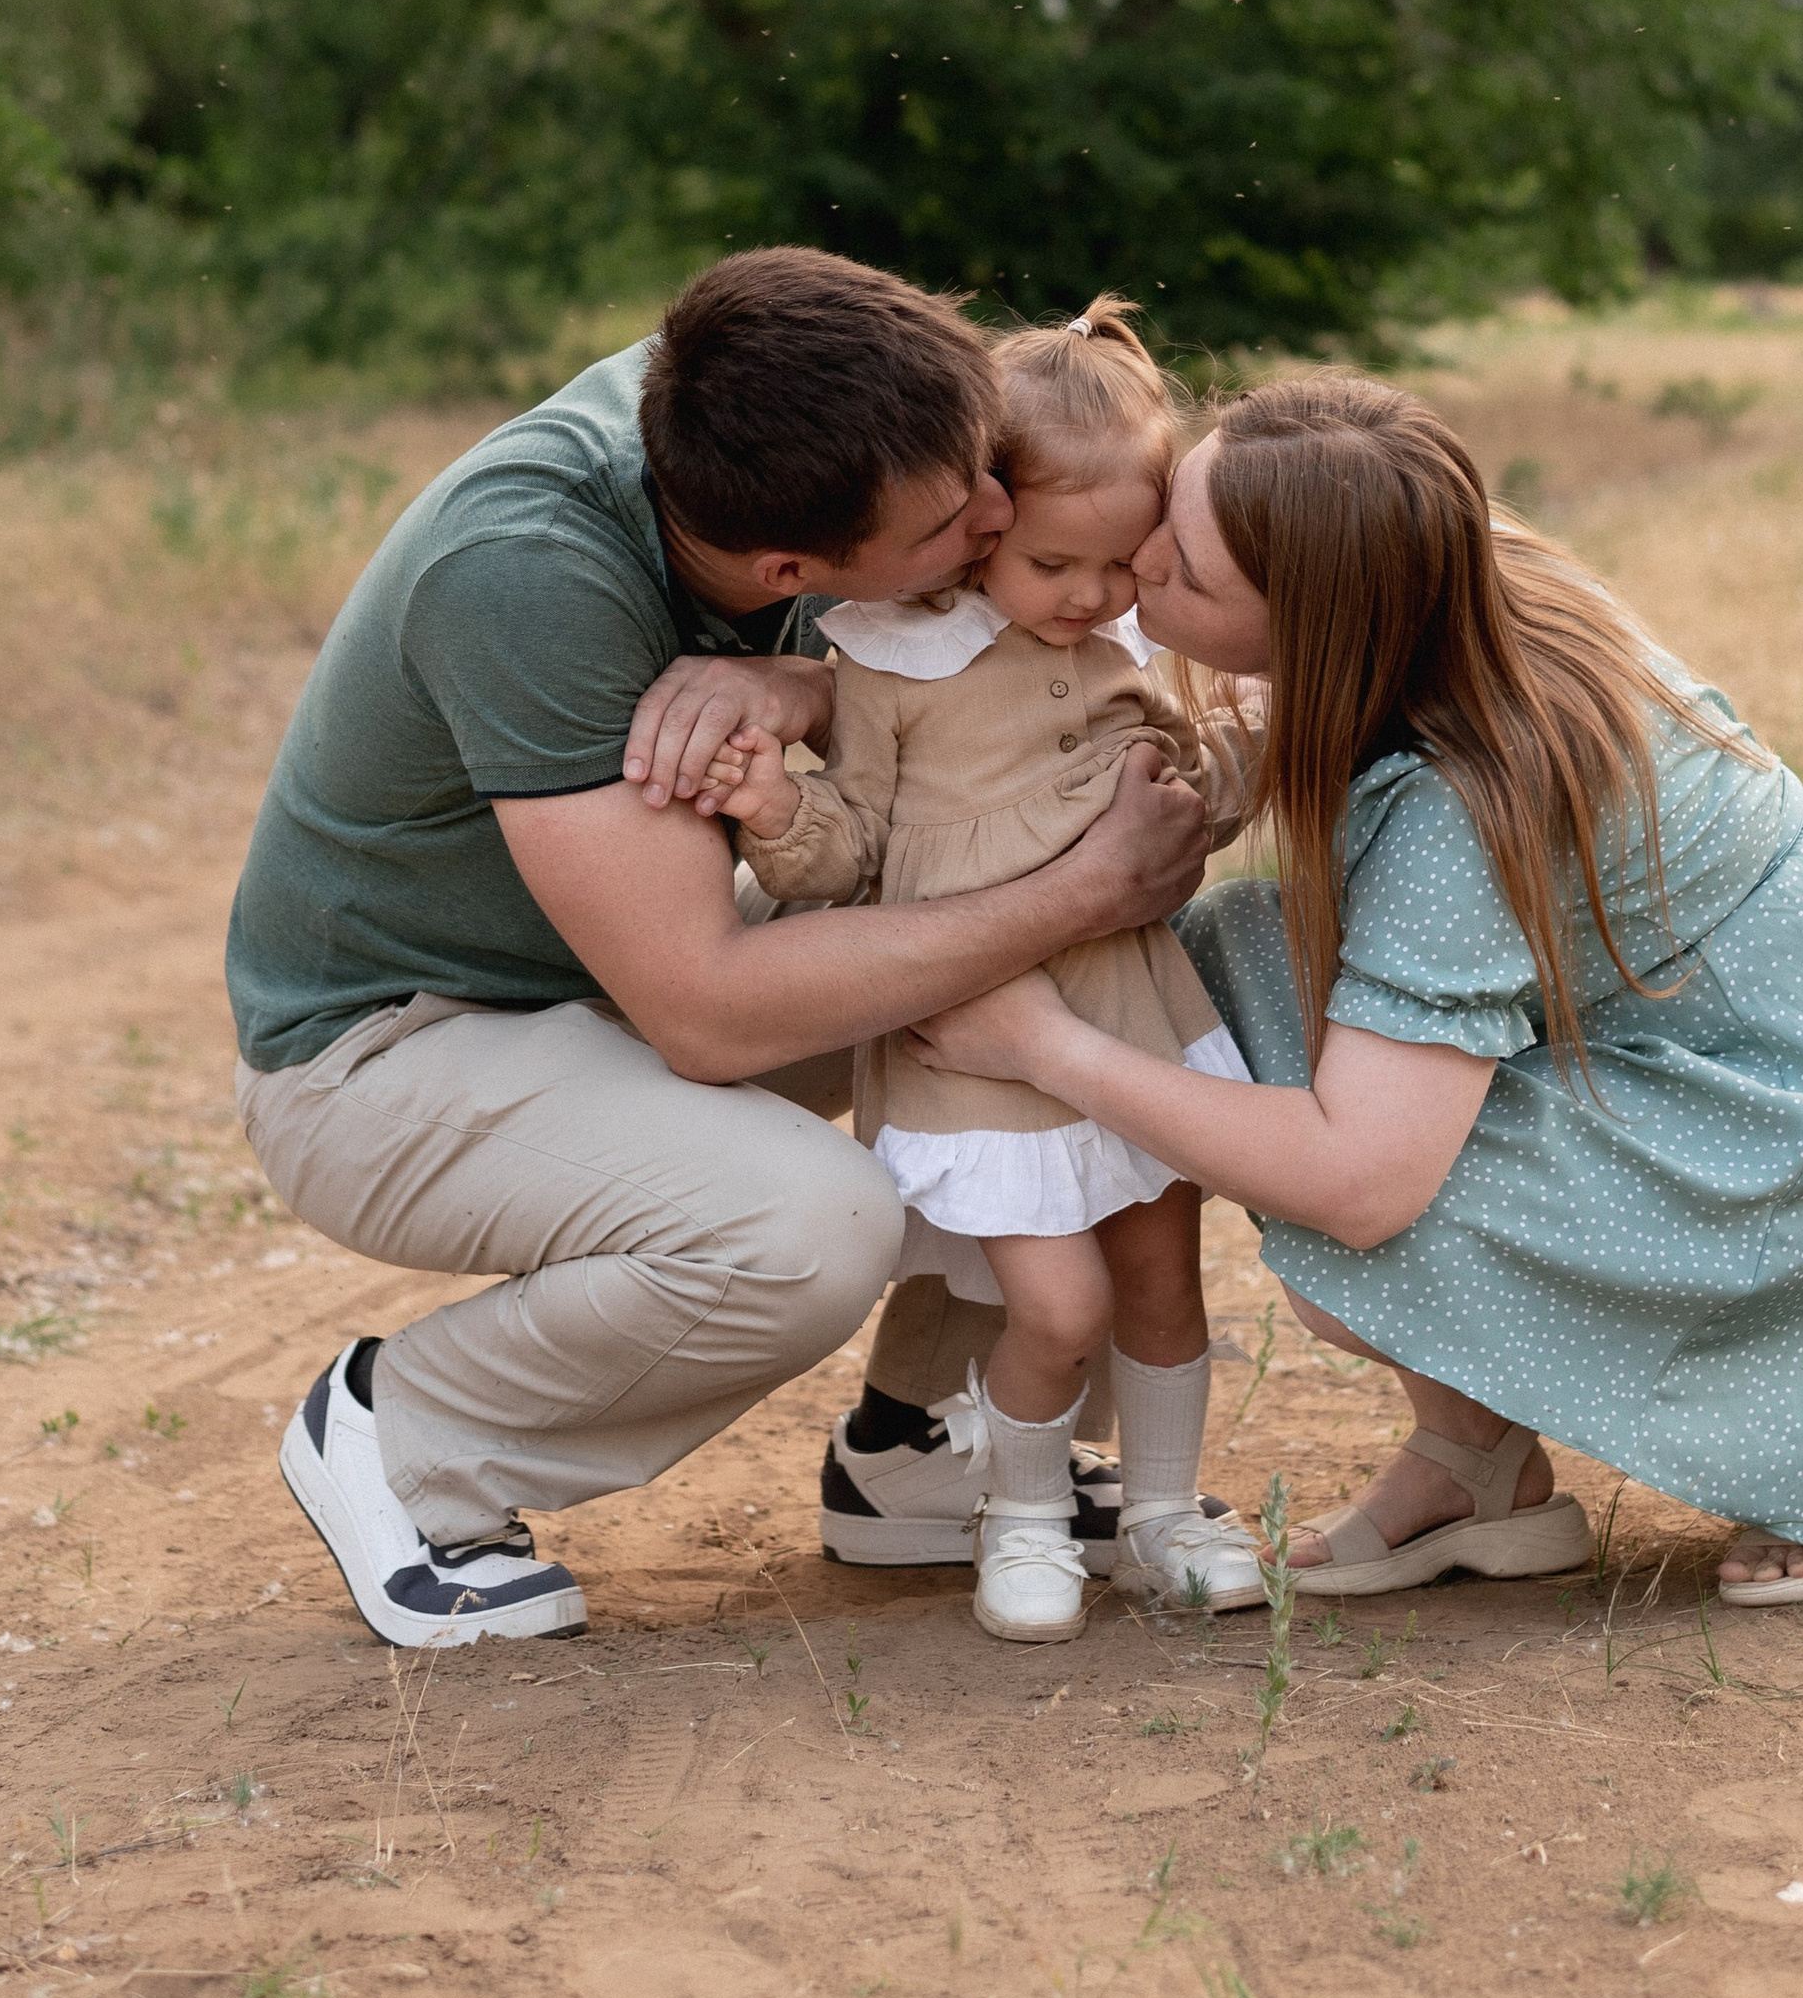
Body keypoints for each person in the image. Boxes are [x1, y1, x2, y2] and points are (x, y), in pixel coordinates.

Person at [905, 370, 1803, 1607]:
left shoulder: (1461, 801)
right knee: (1243, 965)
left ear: (1316, 626)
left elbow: (1357, 1183)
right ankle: (1475, 1470)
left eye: (1183, 568)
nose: (1137, 563)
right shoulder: (1448, 570)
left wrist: (1044, 1048)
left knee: (1313, 1181)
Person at [226, 248, 1210, 1648]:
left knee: (1098, 990)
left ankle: (913, 1439)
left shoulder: (820, 400)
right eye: (954, 523)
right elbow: (709, 1013)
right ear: (790, 568)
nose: (997, 517)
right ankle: (411, 1438)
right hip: (393, 1047)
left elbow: (960, 659)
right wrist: (1083, 892)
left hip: (613, 977)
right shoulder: (525, 570)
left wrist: (798, 677)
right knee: (811, 1219)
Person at [713, 300, 1264, 1641]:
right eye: (1054, 562)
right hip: (973, 1043)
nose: (1088, 595)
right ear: (982, 526)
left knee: (1163, 1285)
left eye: (1119, 564)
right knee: (1056, 1306)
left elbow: (1201, 780)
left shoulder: (1135, 644)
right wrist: (779, 815)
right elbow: (850, 852)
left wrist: (1239, 764)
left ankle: (1160, 1510)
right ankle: (1018, 1519)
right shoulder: (894, 662)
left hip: (1127, 1010)